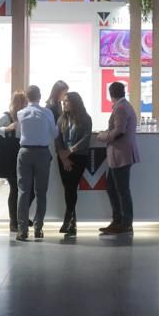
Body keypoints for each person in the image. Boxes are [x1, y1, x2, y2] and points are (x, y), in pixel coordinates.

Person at [98, 81, 140, 237]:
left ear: (110, 94)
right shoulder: (124, 106)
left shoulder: (121, 108)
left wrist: (102, 136)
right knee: (113, 188)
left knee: (121, 190)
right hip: (119, 155)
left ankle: (125, 222)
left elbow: (119, 131)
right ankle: (118, 220)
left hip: (120, 154)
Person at [15, 85, 56, 241]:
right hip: (42, 153)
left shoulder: (20, 113)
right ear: (40, 96)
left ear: (27, 96)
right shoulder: (47, 113)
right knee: (41, 192)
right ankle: (38, 228)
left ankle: (22, 230)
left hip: (25, 152)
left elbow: (18, 134)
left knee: (23, 192)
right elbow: (55, 132)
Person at [54, 91, 92, 238]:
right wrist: (63, 157)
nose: (64, 104)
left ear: (75, 102)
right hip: (63, 157)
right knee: (67, 188)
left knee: (72, 187)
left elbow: (86, 138)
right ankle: (72, 222)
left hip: (78, 157)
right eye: (63, 101)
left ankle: (68, 219)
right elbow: (57, 139)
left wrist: (70, 151)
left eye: (67, 101)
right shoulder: (61, 119)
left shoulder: (85, 118)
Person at [0, 90, 26, 233]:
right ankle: (14, 221)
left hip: (18, 154)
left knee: (19, 188)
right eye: (22, 102)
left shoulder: (25, 116)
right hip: (9, 157)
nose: (24, 105)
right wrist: (6, 128)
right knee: (15, 188)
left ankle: (18, 219)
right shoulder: (7, 117)